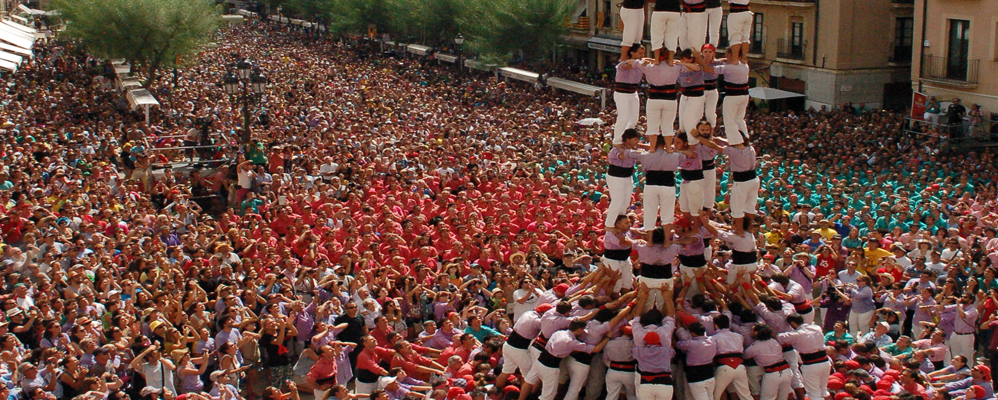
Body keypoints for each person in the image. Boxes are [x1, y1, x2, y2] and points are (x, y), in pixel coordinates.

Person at [777, 313, 831, 400]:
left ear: (793, 323)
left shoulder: (797, 335)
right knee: (823, 391)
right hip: (825, 362)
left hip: (811, 365)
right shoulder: (817, 328)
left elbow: (779, 337)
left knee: (814, 394)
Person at [613, 48, 646, 144]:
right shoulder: (624, 64)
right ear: (632, 53)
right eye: (640, 53)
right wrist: (640, 63)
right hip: (622, 93)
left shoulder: (640, 63)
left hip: (633, 92)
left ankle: (628, 138)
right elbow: (628, 66)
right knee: (624, 117)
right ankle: (617, 141)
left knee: (634, 119)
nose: (642, 55)